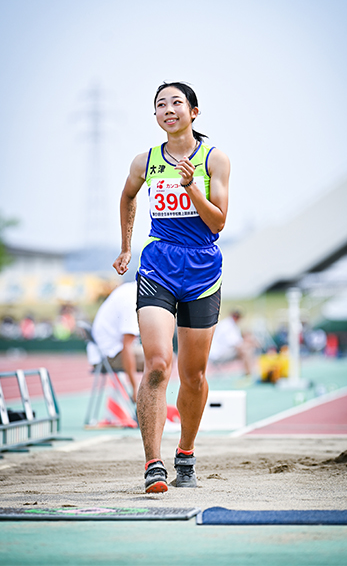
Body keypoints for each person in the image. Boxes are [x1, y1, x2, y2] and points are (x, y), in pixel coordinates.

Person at [113, 81, 231, 494]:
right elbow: (128, 197)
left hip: (202, 269)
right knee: (159, 364)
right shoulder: (144, 161)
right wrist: (127, 247)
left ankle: (185, 453)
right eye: (160, 104)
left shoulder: (214, 159)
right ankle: (153, 465)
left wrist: (191, 188)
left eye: (176, 102)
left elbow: (218, 222)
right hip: (158, 265)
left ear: (193, 112)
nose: (168, 109)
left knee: (193, 375)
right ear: (156, 116)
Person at [89, 280, 144, 402]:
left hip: (101, 352)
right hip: (108, 355)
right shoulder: (133, 301)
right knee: (163, 359)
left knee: (160, 357)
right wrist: (134, 388)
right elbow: (127, 347)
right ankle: (147, 404)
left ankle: (148, 403)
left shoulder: (128, 290)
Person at [208, 309, 258, 377]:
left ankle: (248, 374)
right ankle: (249, 375)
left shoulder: (228, 324)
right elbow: (237, 345)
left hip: (218, 353)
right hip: (218, 355)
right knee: (246, 351)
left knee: (246, 350)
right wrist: (252, 344)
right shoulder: (228, 326)